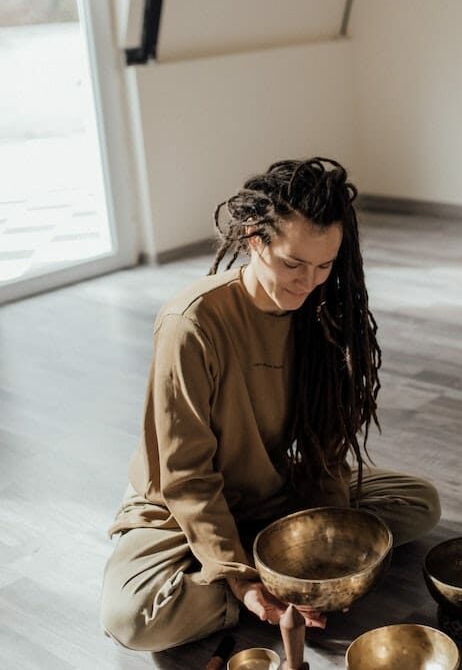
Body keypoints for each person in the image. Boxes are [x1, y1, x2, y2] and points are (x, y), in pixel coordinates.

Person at [100, 157, 440, 652]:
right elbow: (185, 476)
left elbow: (324, 449)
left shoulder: (318, 312)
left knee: (419, 503)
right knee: (135, 620)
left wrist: (333, 559)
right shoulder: (191, 323)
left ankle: (266, 560)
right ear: (255, 239)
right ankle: (252, 575)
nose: (308, 282)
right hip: (178, 507)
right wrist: (244, 583)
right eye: (293, 264)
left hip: (274, 493)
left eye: (325, 266)